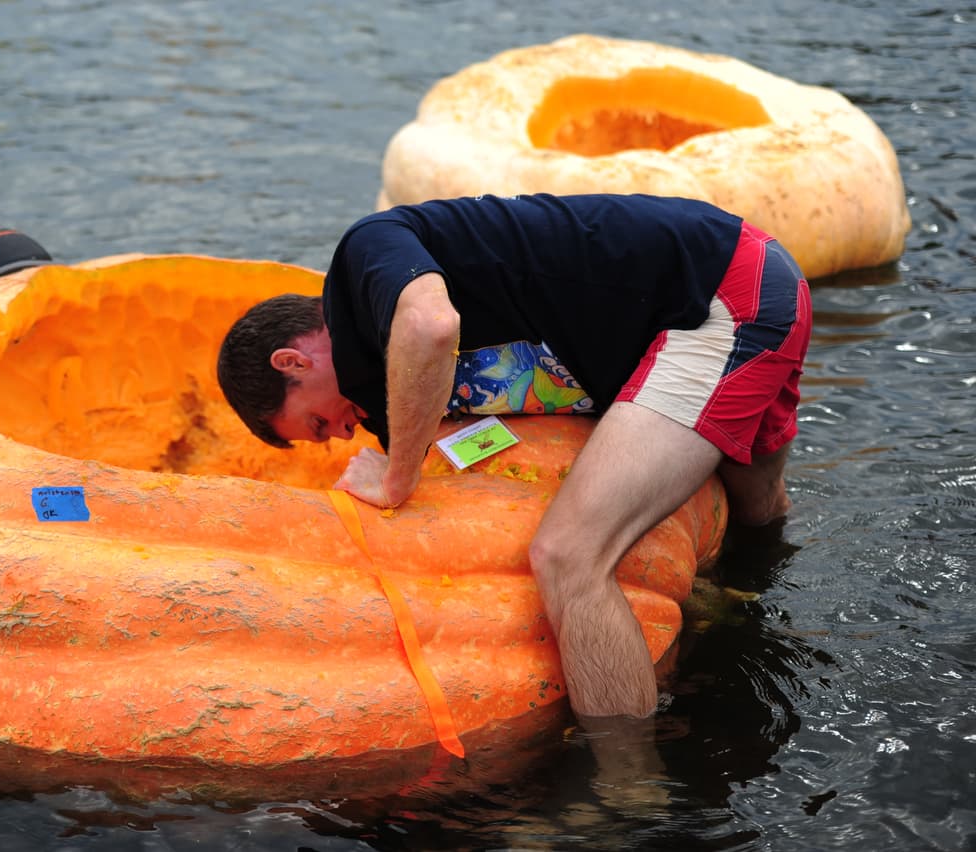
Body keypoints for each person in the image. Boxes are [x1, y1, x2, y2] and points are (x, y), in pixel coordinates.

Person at [217, 192, 811, 722]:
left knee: (569, 557)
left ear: (293, 362)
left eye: (318, 423)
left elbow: (431, 326)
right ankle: (754, 603)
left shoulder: (363, 256)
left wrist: (399, 479)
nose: (341, 434)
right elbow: (485, 437)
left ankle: (629, 797)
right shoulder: (383, 396)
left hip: (724, 293)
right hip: (720, 300)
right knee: (754, 508)